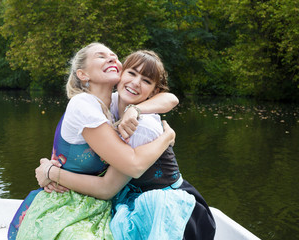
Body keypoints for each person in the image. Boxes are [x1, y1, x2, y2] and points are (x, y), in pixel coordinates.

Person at [36, 50, 216, 240]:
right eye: (132, 73)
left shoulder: (142, 127)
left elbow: (108, 187)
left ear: (154, 92)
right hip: (132, 198)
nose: (136, 82)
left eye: (146, 81)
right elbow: (170, 99)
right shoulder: (112, 103)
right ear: (121, 74)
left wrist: (52, 174)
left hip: (167, 208)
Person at [8, 43, 177, 239]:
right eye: (101, 56)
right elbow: (129, 168)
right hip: (66, 203)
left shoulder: (114, 104)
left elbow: (171, 98)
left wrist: (138, 111)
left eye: (114, 56)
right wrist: (50, 171)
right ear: (83, 74)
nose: (112, 59)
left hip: (100, 201)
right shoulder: (84, 105)